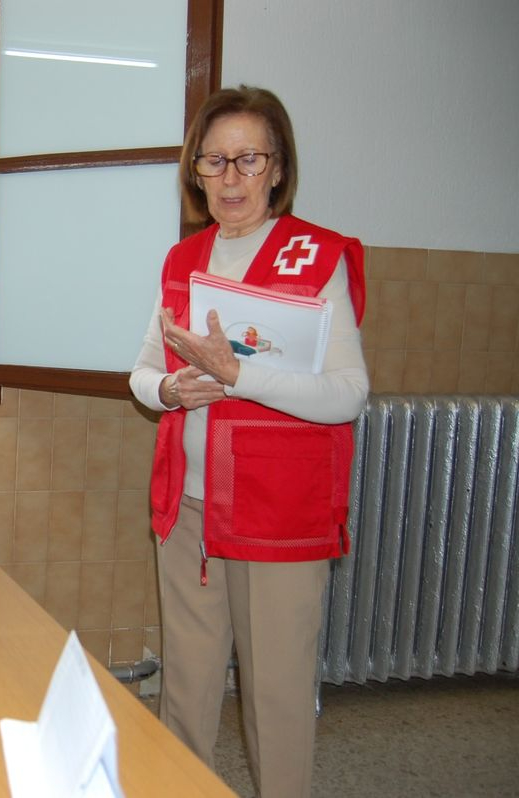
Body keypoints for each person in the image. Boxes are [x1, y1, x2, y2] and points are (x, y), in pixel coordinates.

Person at [129, 85, 368, 798]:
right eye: (213, 160)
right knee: (186, 687)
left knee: (277, 696)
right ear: (196, 171)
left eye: (248, 159)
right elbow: (143, 372)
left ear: (278, 168)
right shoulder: (184, 258)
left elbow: (349, 394)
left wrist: (240, 376)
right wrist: (170, 391)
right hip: (190, 511)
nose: (230, 178)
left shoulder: (315, 255)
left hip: (278, 515)